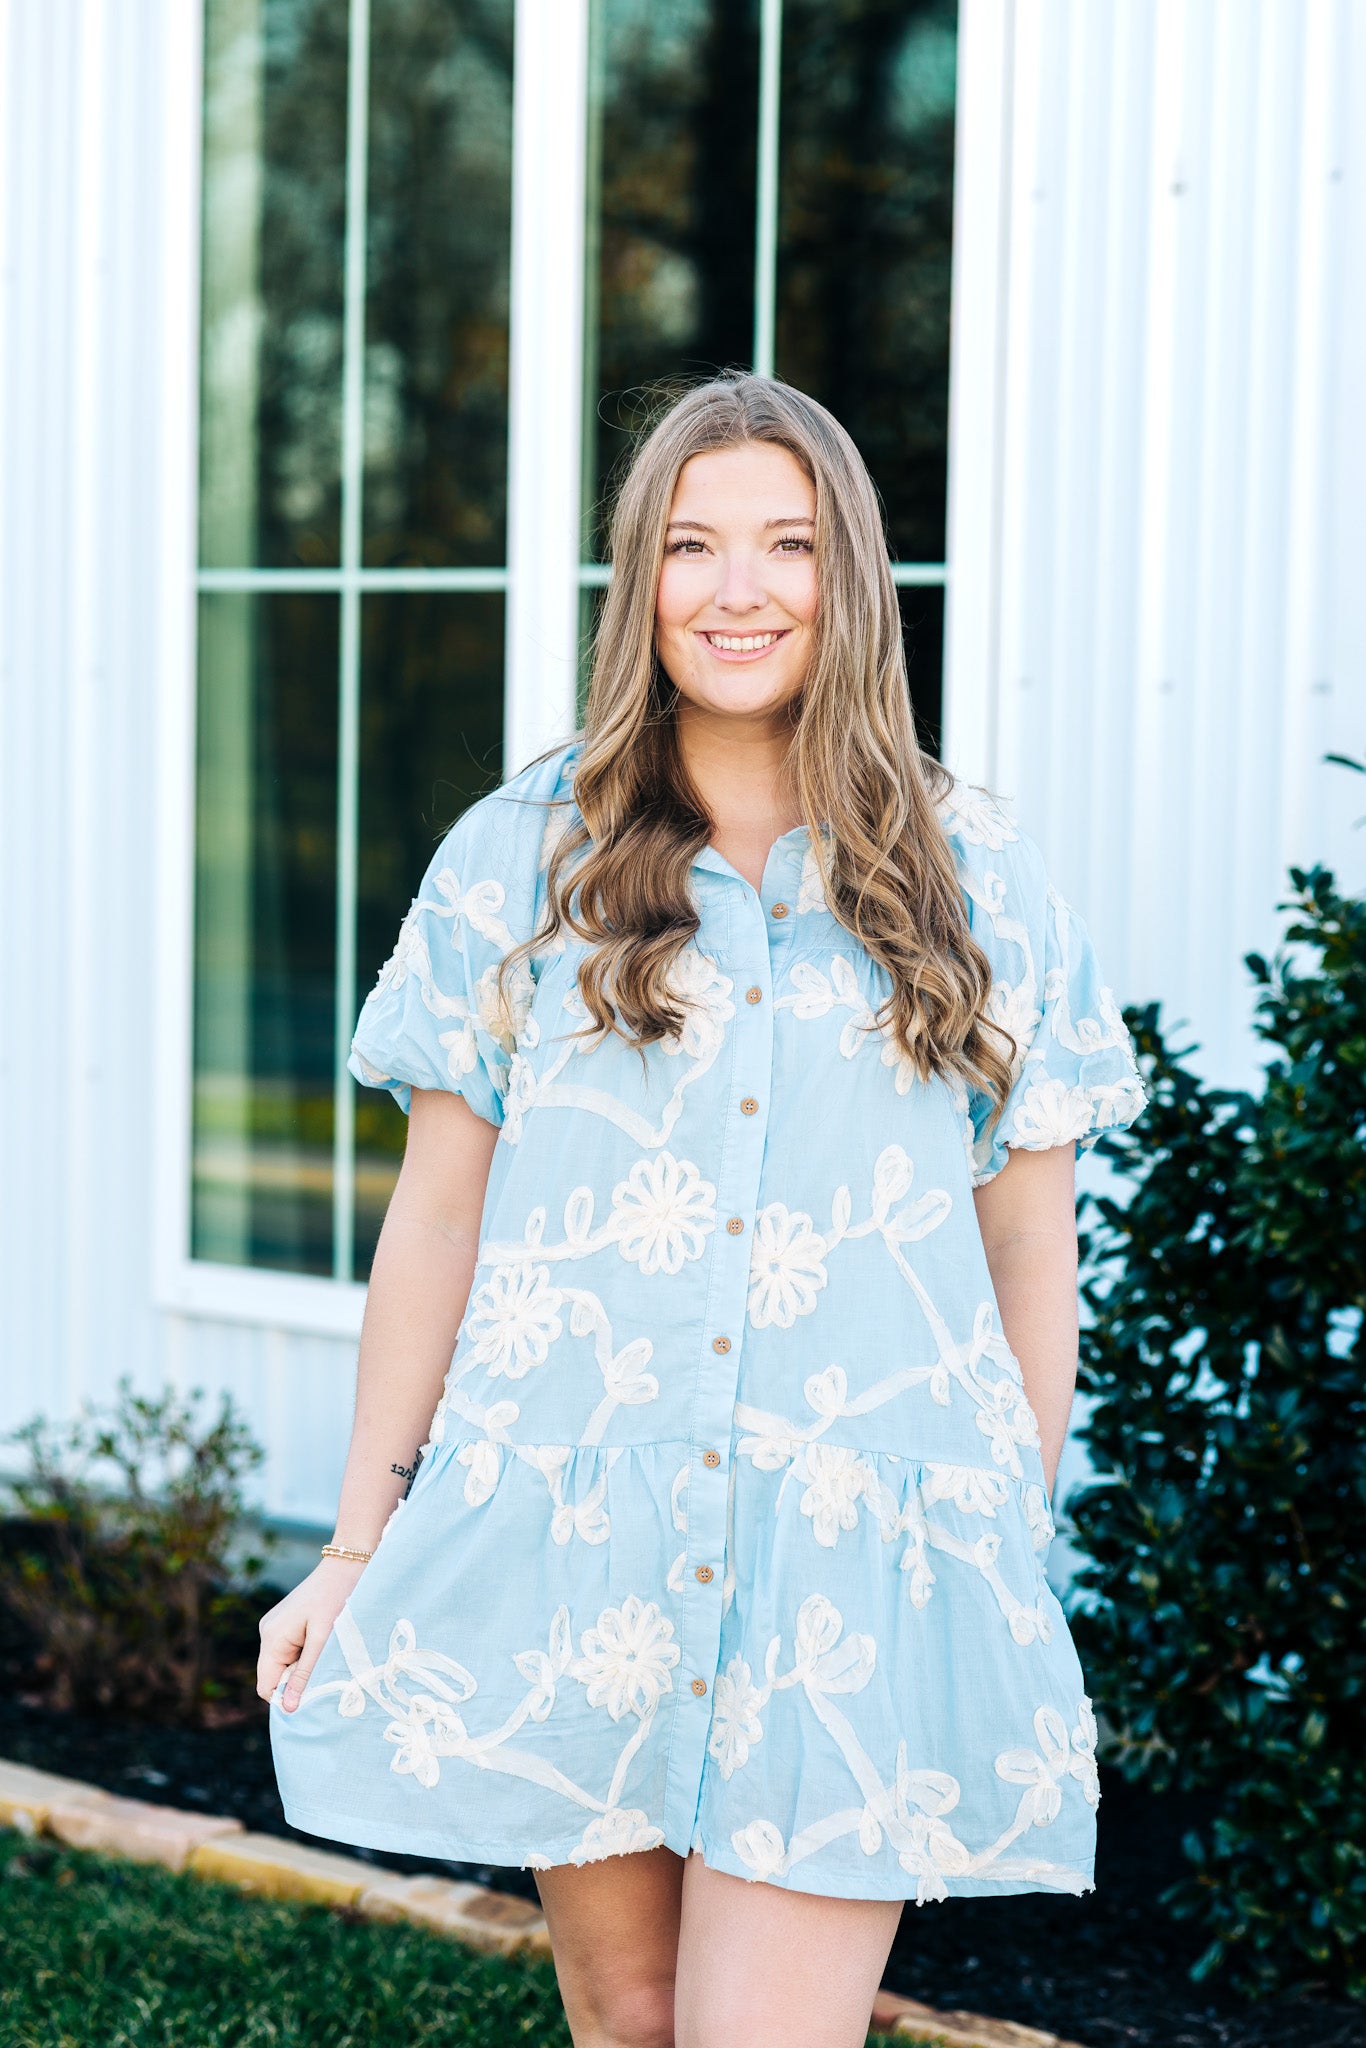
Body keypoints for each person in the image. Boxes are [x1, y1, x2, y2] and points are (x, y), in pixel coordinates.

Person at [259, 371, 1148, 2048]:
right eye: (690, 545)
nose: (736, 589)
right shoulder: (519, 856)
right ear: (639, 581)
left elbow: (1030, 1240)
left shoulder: (979, 879)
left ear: (849, 579)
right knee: (635, 2019)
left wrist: (1000, 1538)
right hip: (575, 1537)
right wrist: (359, 1544)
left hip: (853, 1560)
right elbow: (435, 1223)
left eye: (786, 544)